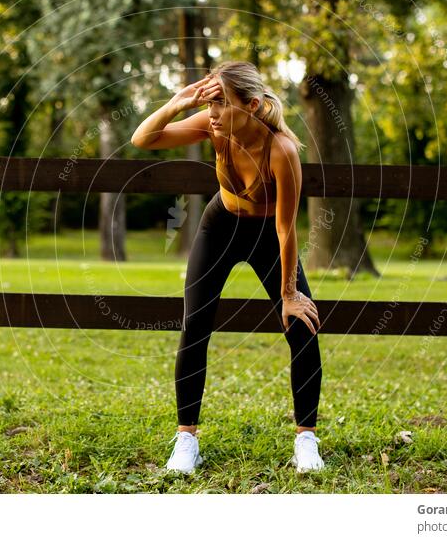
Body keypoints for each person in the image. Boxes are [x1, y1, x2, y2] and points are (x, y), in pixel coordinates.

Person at [131, 61, 324, 474]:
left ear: (251, 105)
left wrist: (289, 295)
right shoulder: (215, 125)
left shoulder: (281, 151)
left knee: (302, 325)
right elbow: (143, 139)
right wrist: (177, 103)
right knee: (195, 324)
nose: (212, 111)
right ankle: (186, 440)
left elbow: (287, 229)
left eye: (221, 102)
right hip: (220, 225)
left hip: (267, 234)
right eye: (210, 102)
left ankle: (306, 438)